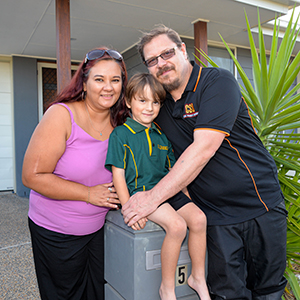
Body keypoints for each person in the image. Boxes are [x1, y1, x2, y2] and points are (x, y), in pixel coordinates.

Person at [121, 25, 288, 300]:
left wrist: (150, 199)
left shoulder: (217, 83)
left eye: (167, 53)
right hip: (216, 216)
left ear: (183, 50)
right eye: (152, 60)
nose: (161, 64)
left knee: (267, 291)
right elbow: (125, 132)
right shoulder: (157, 107)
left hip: (260, 206)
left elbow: (203, 149)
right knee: (227, 293)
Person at [22, 47, 130, 300]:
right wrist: (88, 194)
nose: (108, 87)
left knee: (100, 293)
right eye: (99, 79)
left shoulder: (123, 121)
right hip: (57, 232)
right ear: (84, 82)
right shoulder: (61, 115)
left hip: (101, 230)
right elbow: (32, 176)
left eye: (115, 80)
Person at [105, 73, 210, 300]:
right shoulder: (121, 134)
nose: (150, 107)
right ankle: (167, 289)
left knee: (199, 219)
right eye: (142, 100)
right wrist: (128, 208)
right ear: (128, 101)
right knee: (177, 226)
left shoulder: (162, 135)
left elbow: (174, 174)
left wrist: (188, 200)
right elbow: (118, 176)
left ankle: (198, 278)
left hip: (167, 192)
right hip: (142, 195)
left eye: (155, 102)